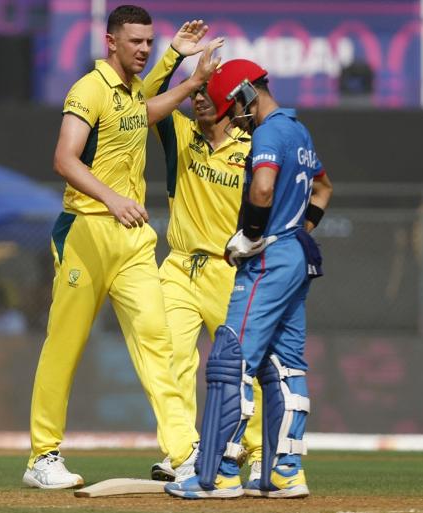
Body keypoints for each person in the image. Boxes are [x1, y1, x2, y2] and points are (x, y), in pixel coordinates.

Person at [23, 5, 223, 489]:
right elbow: (64, 159)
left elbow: (146, 110)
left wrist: (192, 80)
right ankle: (42, 457)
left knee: (158, 342)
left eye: (150, 42)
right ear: (110, 42)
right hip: (86, 230)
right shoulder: (88, 89)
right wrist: (113, 198)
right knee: (64, 347)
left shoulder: (132, 92)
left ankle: (183, 451)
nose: (144, 48)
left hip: (132, 240)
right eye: (136, 41)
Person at [165, 59, 333, 499]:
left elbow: (261, 189)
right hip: (296, 255)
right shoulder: (299, 131)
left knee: (231, 359)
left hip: (267, 260)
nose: (230, 113)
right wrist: (299, 232)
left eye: (229, 103)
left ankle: (217, 474)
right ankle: (285, 471)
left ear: (243, 92)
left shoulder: (267, 133)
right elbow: (324, 188)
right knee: (285, 365)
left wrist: (252, 237)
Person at [141, 28, 263, 484]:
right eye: (198, 93)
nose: (200, 100)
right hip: (178, 265)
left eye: (210, 93)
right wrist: (176, 59)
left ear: (231, 103)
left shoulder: (252, 149)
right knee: (171, 358)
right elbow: (144, 102)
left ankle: (256, 452)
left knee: (242, 368)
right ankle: (184, 452)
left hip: (231, 270)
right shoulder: (179, 132)